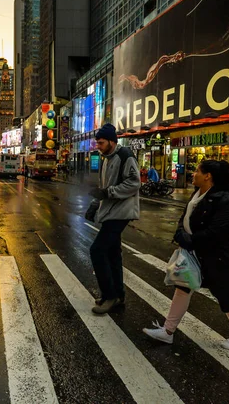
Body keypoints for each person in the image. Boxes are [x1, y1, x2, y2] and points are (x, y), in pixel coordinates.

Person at [143, 160, 229, 350]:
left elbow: (219, 232)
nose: (193, 174)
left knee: (226, 296)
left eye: (197, 171)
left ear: (208, 176)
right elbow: (185, 218)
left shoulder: (225, 199)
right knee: (182, 288)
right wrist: (179, 233)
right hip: (196, 254)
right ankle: (168, 331)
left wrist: (189, 240)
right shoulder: (198, 194)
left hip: (219, 258)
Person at [86, 123, 141, 314]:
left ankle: (110, 296)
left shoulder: (124, 156)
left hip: (121, 212)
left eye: (101, 142)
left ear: (111, 141)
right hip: (109, 212)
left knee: (97, 251)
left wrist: (108, 193)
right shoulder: (106, 158)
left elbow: (134, 183)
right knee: (112, 254)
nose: (98, 146)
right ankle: (118, 295)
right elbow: (103, 187)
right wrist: (95, 205)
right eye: (97, 143)